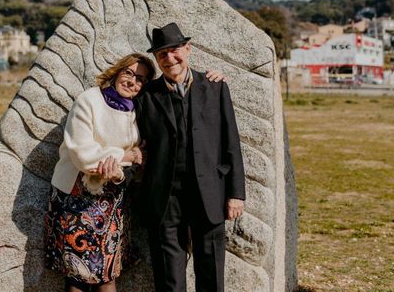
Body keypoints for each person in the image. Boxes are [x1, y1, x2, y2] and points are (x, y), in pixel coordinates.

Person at [135, 22, 246, 292]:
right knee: (169, 277)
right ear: (156, 60)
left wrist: (236, 194)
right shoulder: (146, 95)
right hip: (164, 197)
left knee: (211, 271)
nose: (169, 58)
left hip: (208, 191)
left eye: (174, 51)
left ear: (188, 49)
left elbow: (230, 141)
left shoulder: (216, 87)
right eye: (162, 54)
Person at [45, 53, 155, 292]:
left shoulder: (139, 112)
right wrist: (125, 155)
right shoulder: (89, 100)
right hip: (75, 197)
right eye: (128, 73)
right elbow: (84, 155)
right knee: (78, 276)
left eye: (140, 79)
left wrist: (121, 168)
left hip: (113, 199)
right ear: (116, 72)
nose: (132, 81)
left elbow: (141, 158)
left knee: (108, 273)